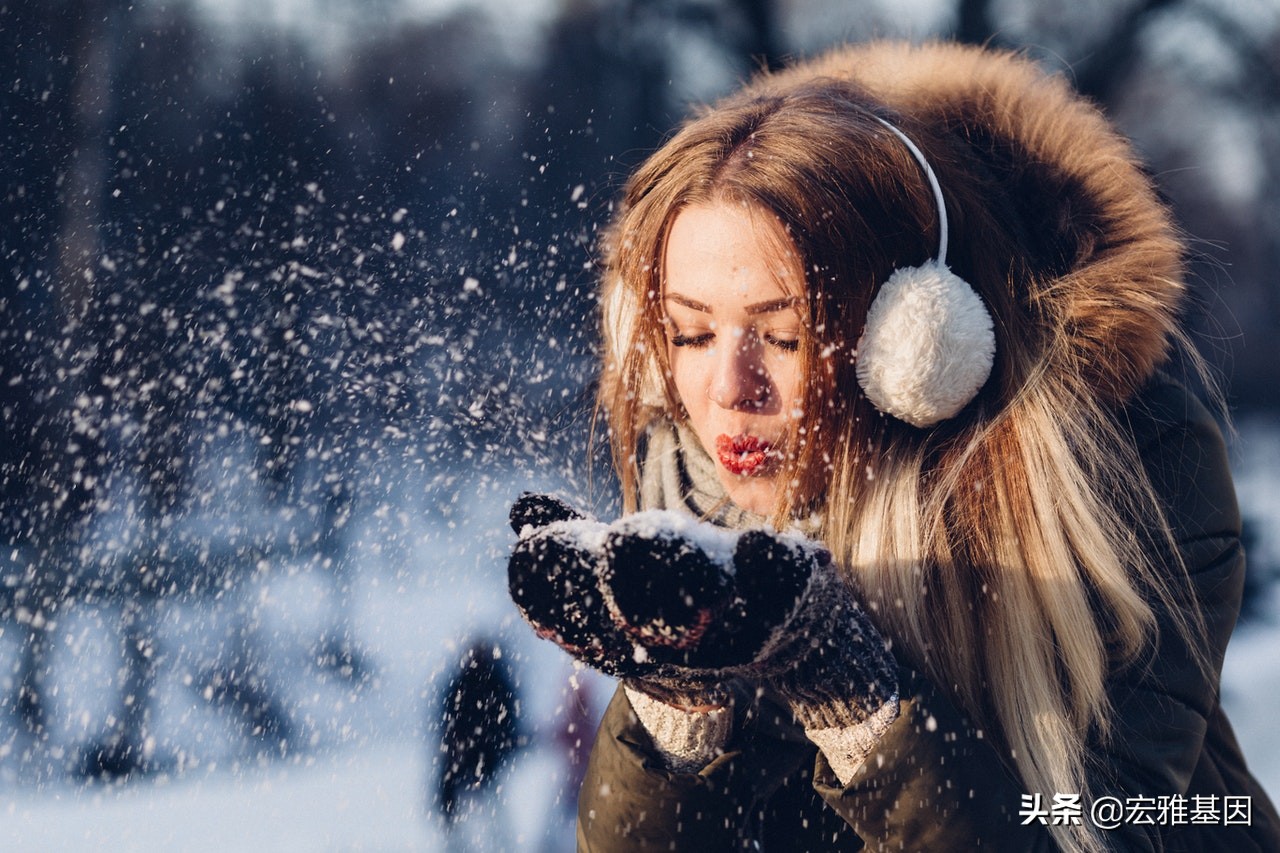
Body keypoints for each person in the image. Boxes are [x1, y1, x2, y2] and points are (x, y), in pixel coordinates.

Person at [506, 40, 1280, 851]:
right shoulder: (692, 489)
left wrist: (857, 701)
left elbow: (1106, 831)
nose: (730, 388)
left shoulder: (1126, 474)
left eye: (782, 333)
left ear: (913, 341)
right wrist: (678, 708)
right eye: (691, 333)